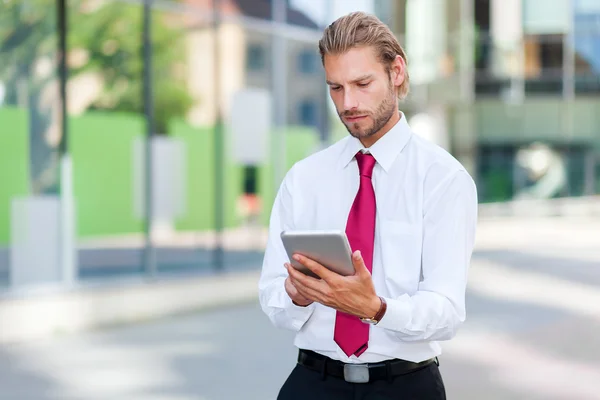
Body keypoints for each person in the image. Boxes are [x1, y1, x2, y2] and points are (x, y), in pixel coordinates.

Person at [258, 11, 477, 400]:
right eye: (336, 88)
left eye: (362, 83)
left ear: (396, 72)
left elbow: (446, 311)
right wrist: (298, 294)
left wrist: (375, 308)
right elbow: (272, 296)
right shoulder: (304, 178)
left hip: (406, 387)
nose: (348, 103)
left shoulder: (443, 178)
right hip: (312, 383)